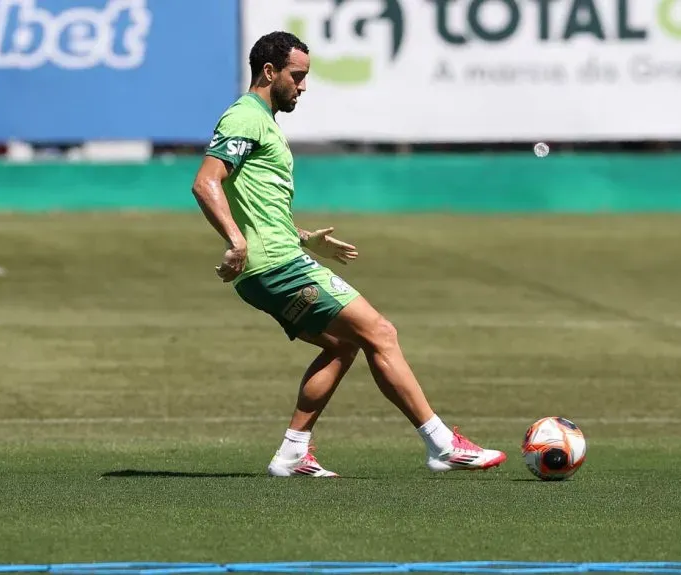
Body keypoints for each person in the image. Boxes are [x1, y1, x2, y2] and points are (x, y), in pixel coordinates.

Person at [191, 30, 506, 477]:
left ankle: (292, 453)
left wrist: (304, 238)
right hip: (277, 267)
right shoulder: (245, 117)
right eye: (297, 76)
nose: (303, 86)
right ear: (269, 71)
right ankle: (442, 446)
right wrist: (235, 241)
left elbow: (257, 205)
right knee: (381, 332)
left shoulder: (262, 121)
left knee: (343, 346)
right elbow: (206, 182)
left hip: (269, 266)